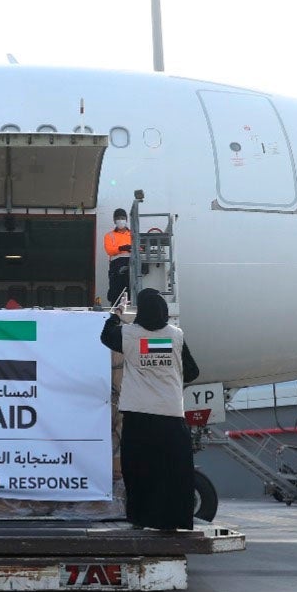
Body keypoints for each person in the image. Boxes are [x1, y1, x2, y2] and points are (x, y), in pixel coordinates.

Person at [100, 288, 200, 530]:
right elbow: (193, 371)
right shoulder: (176, 335)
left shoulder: (128, 334)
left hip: (138, 415)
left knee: (139, 470)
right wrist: (169, 374)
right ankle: (172, 521)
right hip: (170, 414)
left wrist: (116, 314)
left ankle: (139, 519)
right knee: (172, 472)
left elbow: (105, 336)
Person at [103, 207, 132, 305]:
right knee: (116, 292)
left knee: (130, 290)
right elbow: (109, 250)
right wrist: (121, 248)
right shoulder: (109, 235)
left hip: (131, 264)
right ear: (114, 220)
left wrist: (131, 248)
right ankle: (115, 315)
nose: (121, 220)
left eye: (123, 218)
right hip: (116, 266)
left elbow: (141, 248)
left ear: (126, 219)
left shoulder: (133, 234)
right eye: (118, 218)